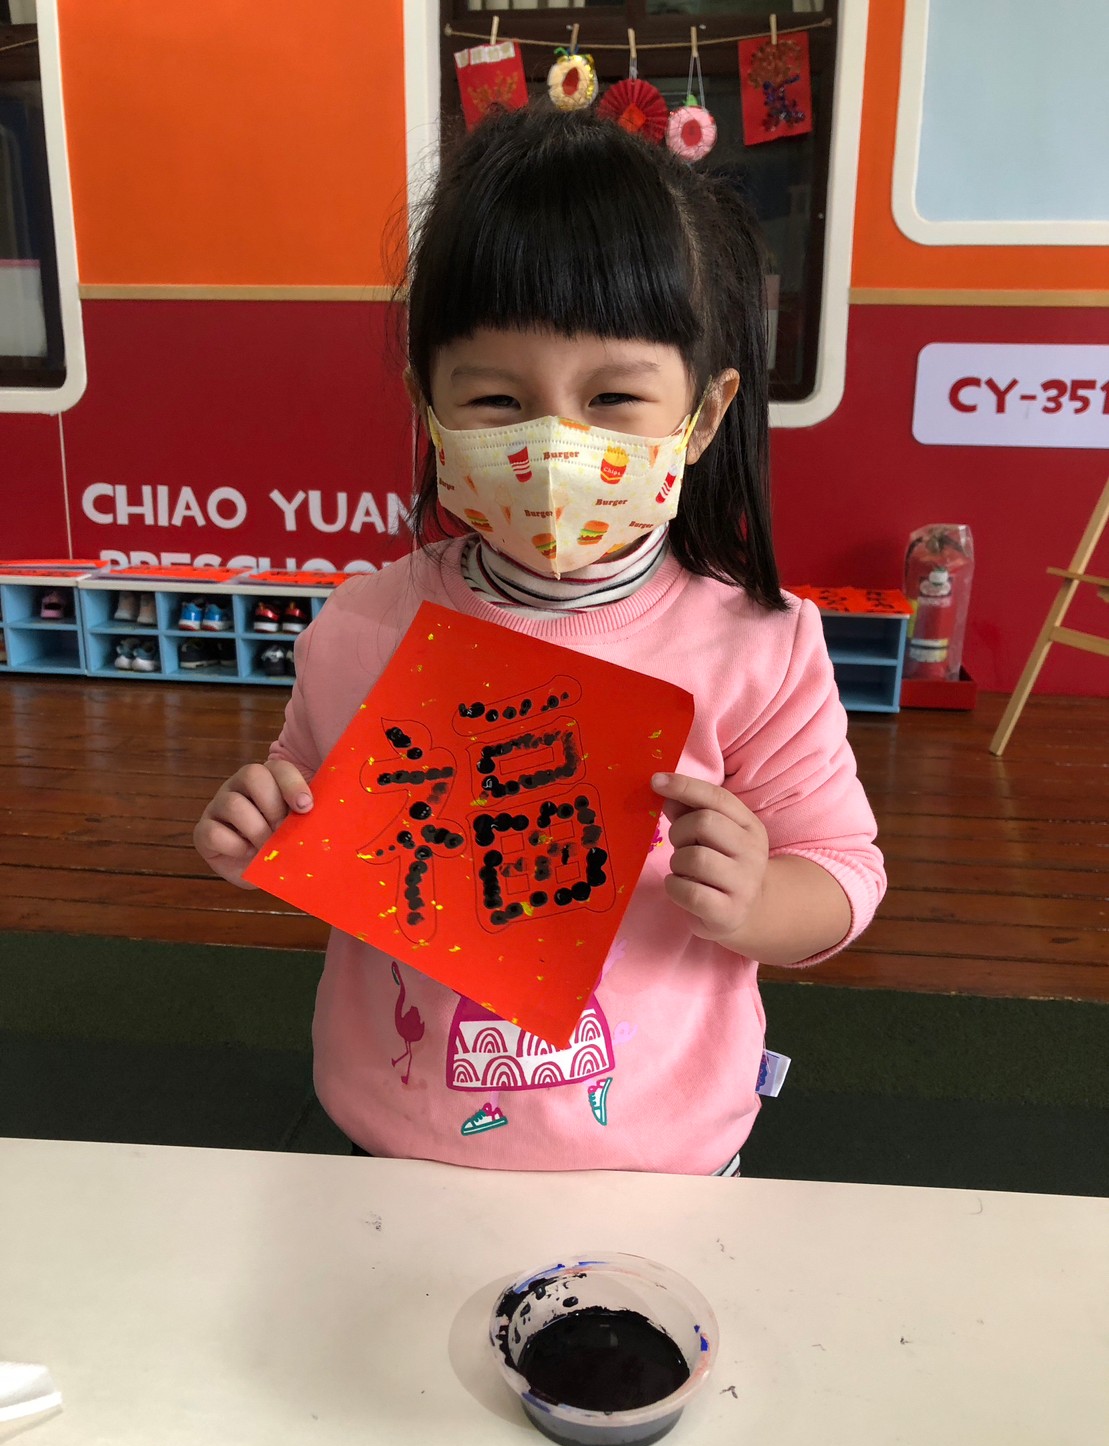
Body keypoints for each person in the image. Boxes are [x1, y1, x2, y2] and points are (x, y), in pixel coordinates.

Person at [194, 107, 885, 1176]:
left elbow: (840, 872)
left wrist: (757, 903)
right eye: (495, 398)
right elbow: (309, 797)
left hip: (662, 1157)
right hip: (396, 1142)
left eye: (613, 396)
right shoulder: (362, 625)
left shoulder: (758, 645)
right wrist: (260, 832)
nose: (555, 444)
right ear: (429, 407)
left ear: (702, 417)